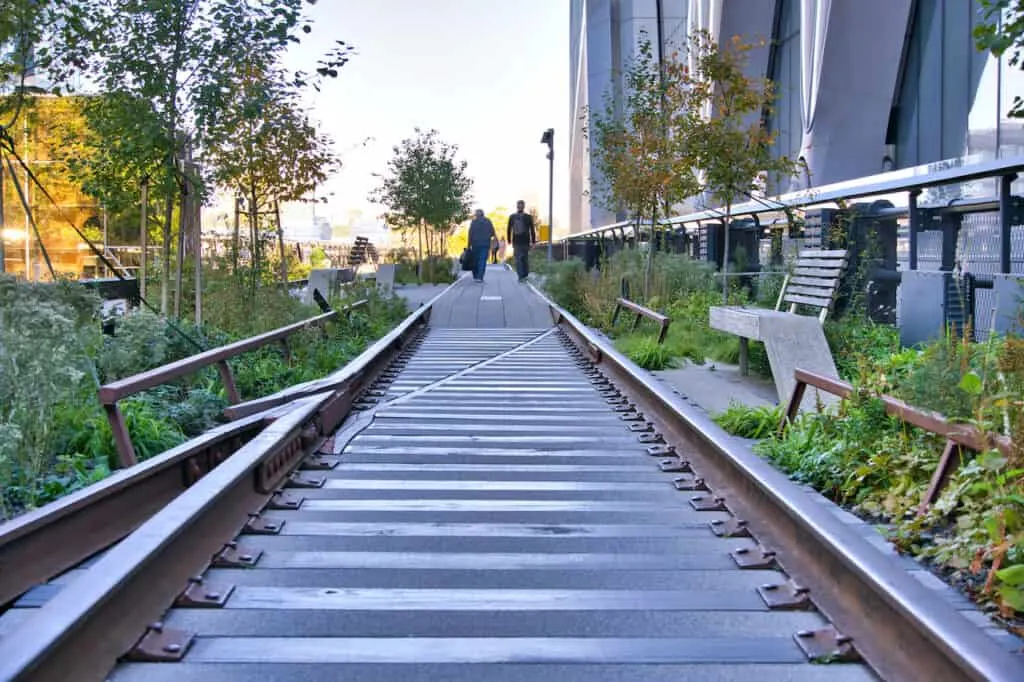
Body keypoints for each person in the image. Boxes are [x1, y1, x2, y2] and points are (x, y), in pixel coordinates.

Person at [506, 200, 536, 282]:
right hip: (526, 240)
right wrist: (533, 242)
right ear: (524, 207)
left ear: (517, 206)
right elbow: (532, 230)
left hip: (516, 241)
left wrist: (509, 240)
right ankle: (525, 275)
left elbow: (509, 229)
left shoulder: (512, 217)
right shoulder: (528, 217)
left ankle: (521, 276)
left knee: (518, 259)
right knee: (524, 259)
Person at [467, 208, 496, 282]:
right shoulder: (488, 221)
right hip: (485, 244)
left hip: (475, 244)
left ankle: (476, 276)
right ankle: (480, 277)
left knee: (475, 260)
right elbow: (492, 232)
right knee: (482, 260)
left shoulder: (474, 222)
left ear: (476, 215)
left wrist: (468, 245)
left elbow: (470, 234)